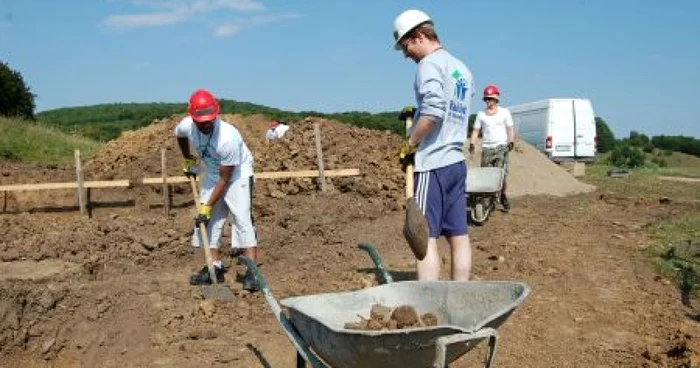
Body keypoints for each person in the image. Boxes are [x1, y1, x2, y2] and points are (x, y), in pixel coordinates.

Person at [393, 9, 474, 281]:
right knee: (458, 236)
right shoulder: (461, 68)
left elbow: (434, 112)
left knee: (423, 237)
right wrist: (416, 114)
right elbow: (448, 109)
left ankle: (428, 300)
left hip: (433, 164)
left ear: (417, 37)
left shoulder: (428, 64)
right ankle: (459, 295)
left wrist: (411, 143)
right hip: (456, 163)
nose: (405, 55)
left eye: (405, 47)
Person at [174, 88, 260, 292]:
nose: (204, 124)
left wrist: (207, 205)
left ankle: (253, 272)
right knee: (209, 221)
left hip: (237, 173)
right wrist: (188, 157)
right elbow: (179, 136)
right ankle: (215, 267)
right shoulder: (187, 126)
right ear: (192, 117)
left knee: (241, 218)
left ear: (216, 114)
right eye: (200, 121)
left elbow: (226, 178)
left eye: (209, 120)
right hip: (214, 172)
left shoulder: (227, 138)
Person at [468, 85, 516, 211]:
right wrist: (472, 143)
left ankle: (503, 194)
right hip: (487, 148)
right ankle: (486, 199)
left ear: (496, 99)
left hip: (501, 147)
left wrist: (511, 141)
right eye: (486, 99)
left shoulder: (505, 112)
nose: (488, 101)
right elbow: (475, 130)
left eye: (490, 99)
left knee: (501, 174)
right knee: (486, 176)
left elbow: (510, 128)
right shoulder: (481, 115)